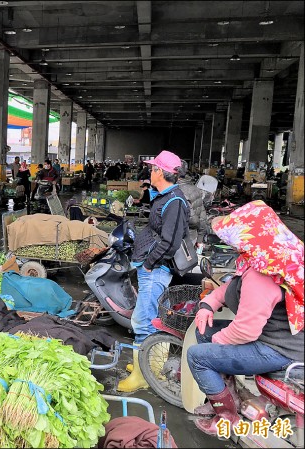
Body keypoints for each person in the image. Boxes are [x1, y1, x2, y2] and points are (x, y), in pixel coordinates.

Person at [187, 201, 304, 436]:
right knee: (204, 329)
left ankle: (227, 416)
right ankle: (227, 393)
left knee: (198, 356)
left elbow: (245, 331)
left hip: (277, 349)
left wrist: (217, 342)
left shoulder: (262, 275)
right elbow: (232, 286)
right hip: (274, 337)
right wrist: (208, 304)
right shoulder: (272, 255)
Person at [117, 150, 189, 393]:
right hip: (151, 266)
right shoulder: (164, 196)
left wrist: (148, 264)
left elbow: (170, 242)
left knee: (143, 320)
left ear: (160, 172)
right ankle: (151, 365)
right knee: (150, 316)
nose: (150, 171)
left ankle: (142, 375)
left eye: (153, 168)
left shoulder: (175, 202)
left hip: (156, 269)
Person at [177, 162, 207, 246]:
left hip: (179, 239)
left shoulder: (177, 192)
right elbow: (202, 217)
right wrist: (200, 238)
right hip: (192, 237)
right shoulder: (195, 189)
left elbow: (194, 220)